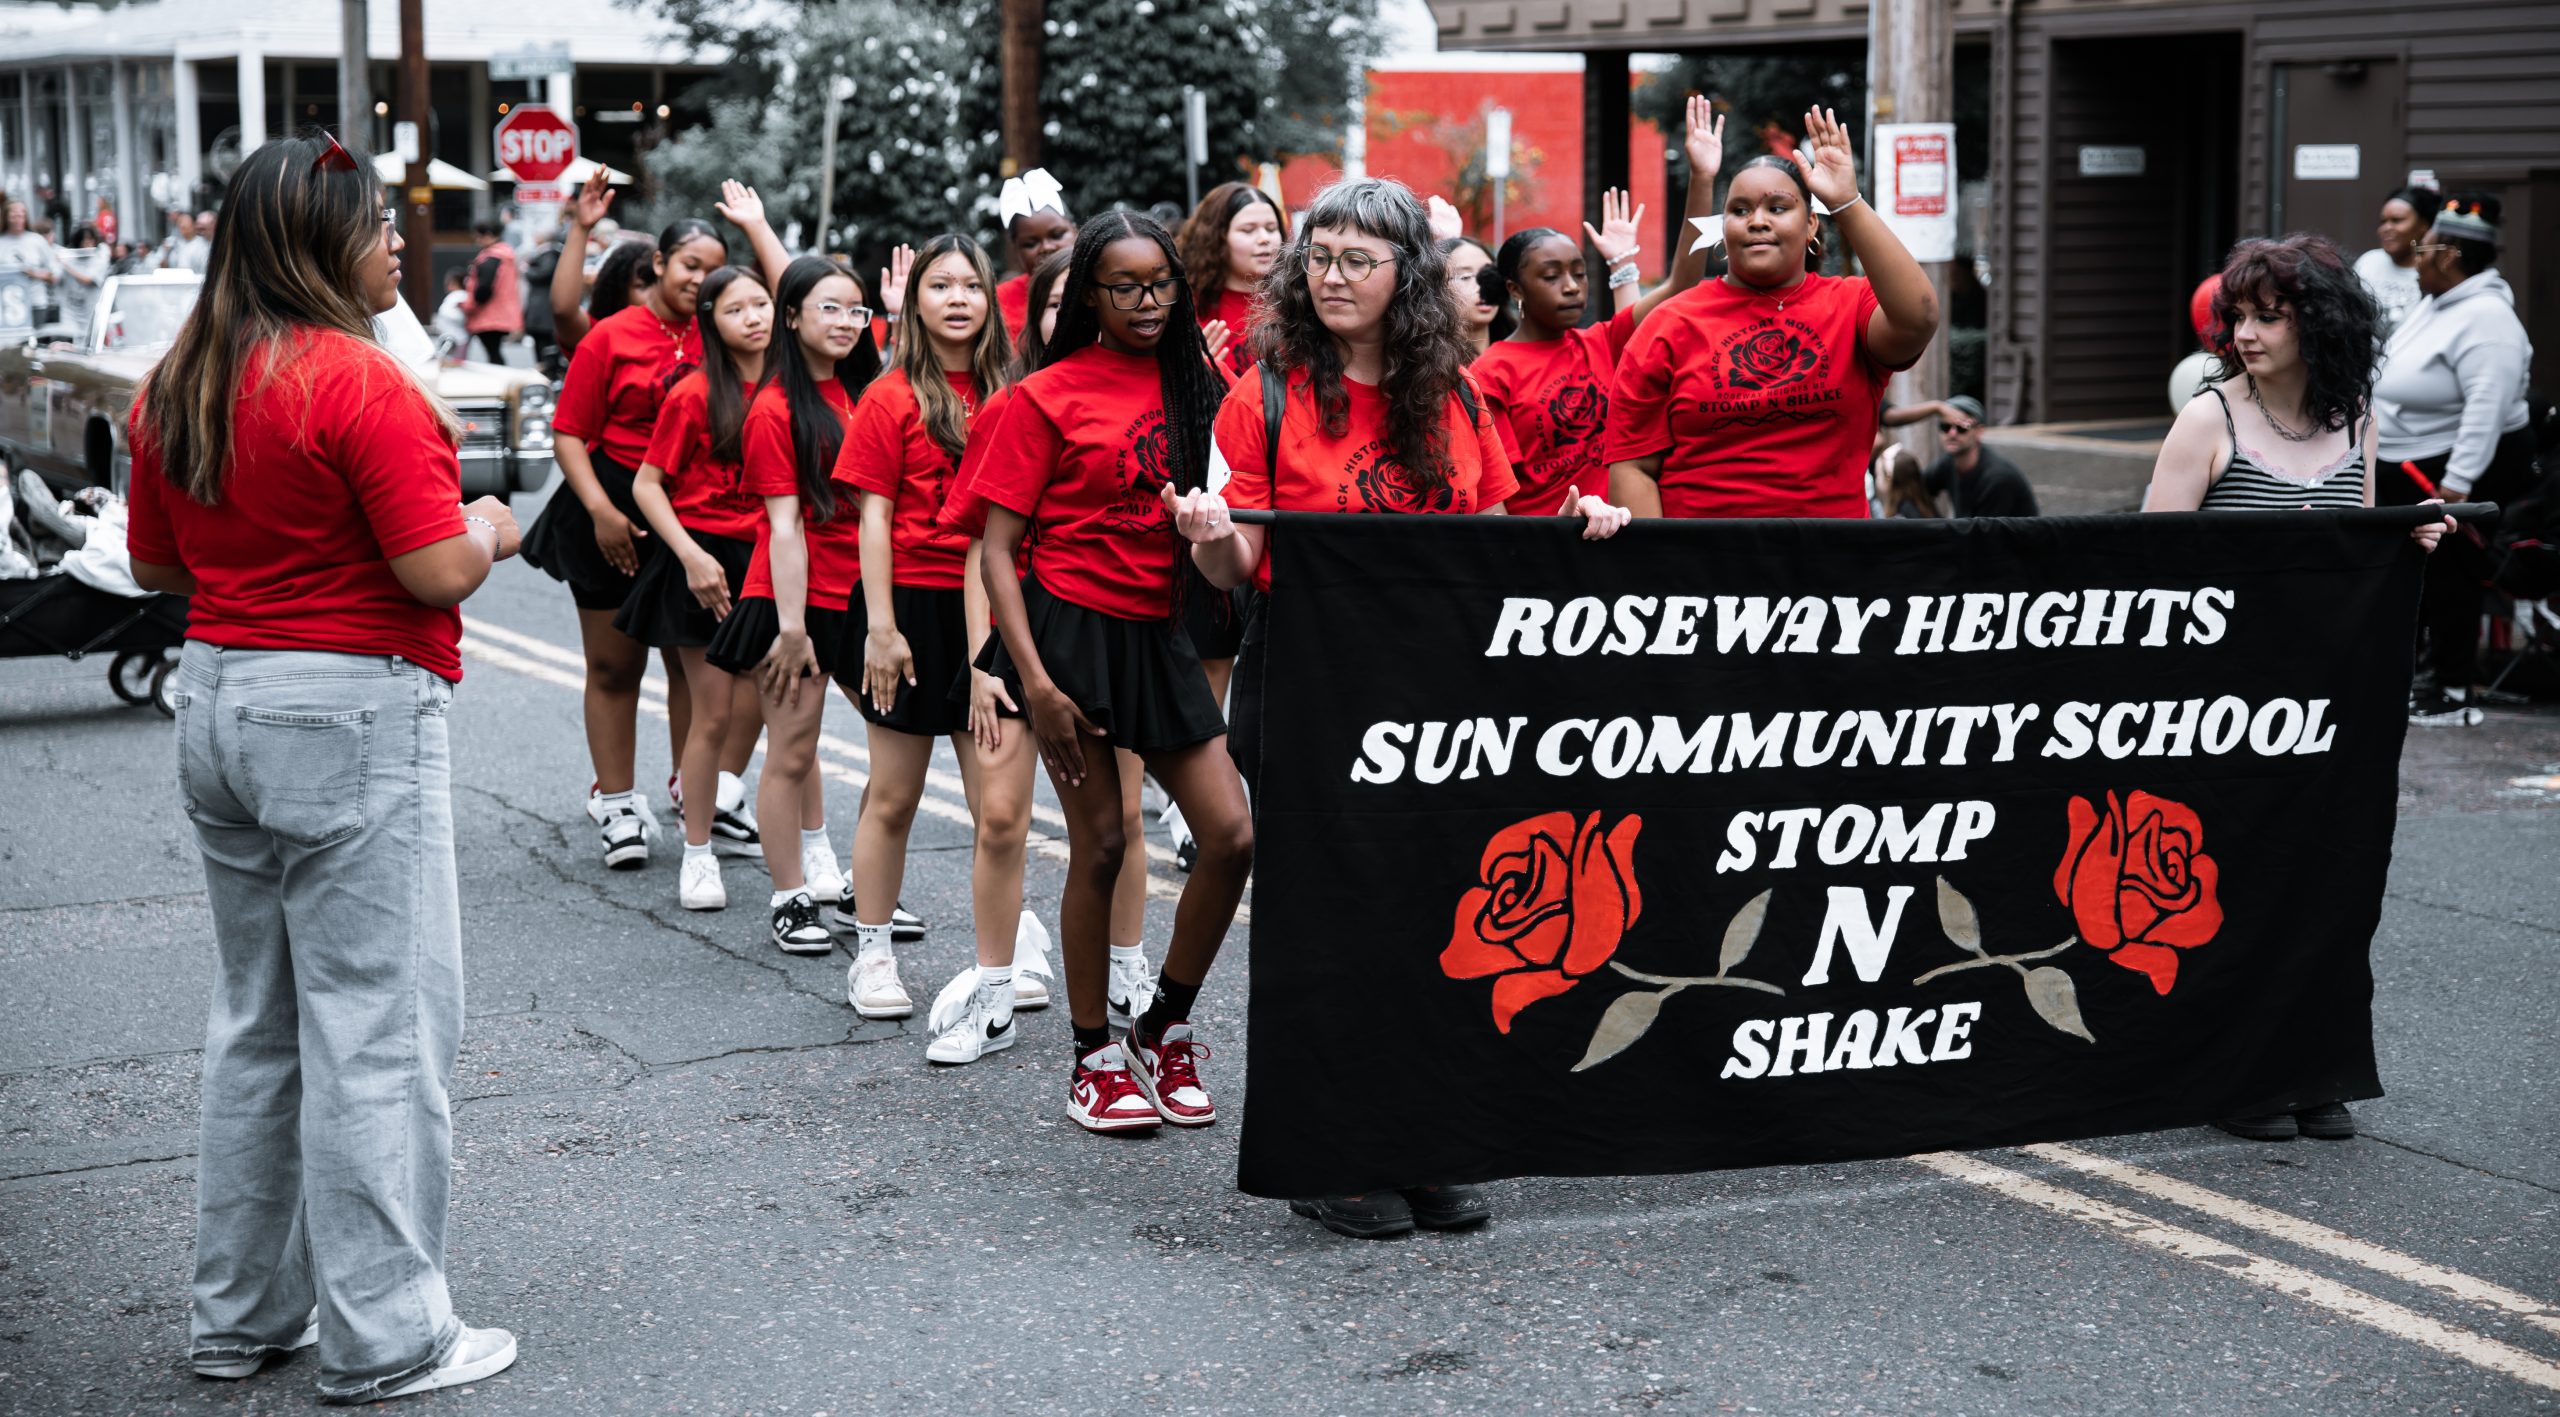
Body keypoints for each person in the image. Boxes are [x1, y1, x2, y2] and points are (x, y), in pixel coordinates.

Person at [124, 130, 522, 1403]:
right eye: (375, 222)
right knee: (379, 1030)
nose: (397, 240)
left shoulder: (176, 378)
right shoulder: (361, 380)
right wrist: (494, 526)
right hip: (351, 707)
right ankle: (389, 1333)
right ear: (317, 241)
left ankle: (240, 1316)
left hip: (221, 697)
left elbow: (152, 565)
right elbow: (435, 568)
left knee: (260, 1022)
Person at [1167, 176, 1631, 1241]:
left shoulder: (1456, 397)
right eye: (1317, 257)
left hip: (1434, 682)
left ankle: (1424, 1141)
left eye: (1356, 260)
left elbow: (1494, 540)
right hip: (1312, 678)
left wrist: (1578, 520)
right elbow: (1238, 563)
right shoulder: (1263, 393)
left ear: (1405, 278)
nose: (1330, 276)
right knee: (1330, 928)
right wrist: (1203, 528)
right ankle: (1330, 1153)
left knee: (1435, 917)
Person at [2145, 232, 2448, 1142]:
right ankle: (2239, 1075)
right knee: (2240, 884)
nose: (2244, 332)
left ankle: (2314, 1067)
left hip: (2328, 697)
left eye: (2267, 317)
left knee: (2328, 885)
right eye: (2236, 315)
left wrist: (2402, 538)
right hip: (2228, 697)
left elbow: (2348, 553)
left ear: (2317, 324)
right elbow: (2149, 569)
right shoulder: (2209, 419)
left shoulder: (2355, 415)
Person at [967, 211, 1254, 1136]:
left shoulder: (1197, 383)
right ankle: (1093, 1055)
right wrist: (1037, 683)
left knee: (1233, 835)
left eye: (1161, 283)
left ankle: (1163, 1025)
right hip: (1070, 635)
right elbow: (998, 550)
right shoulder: (1041, 396)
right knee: (1100, 844)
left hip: (1158, 632)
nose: (1146, 301)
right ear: (1087, 293)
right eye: (1125, 286)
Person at [838, 234, 1018, 1029]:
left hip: (994, 605)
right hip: (907, 607)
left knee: (999, 804)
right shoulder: (889, 395)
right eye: (939, 284)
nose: (955, 298)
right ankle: (872, 948)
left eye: (970, 285)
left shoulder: (1015, 391)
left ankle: (1004, 957)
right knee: (895, 792)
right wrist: (881, 628)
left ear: (990, 300)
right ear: (914, 302)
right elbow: (873, 519)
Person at [1606, 106, 1941, 520]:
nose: (1757, 221)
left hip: (1830, 570)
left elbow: (1919, 318)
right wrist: (1668, 572)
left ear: (1812, 225)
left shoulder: (1851, 304)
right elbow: (1633, 466)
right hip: (1704, 572)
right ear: (1723, 229)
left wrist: (1847, 202)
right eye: (1740, 210)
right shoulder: (1668, 324)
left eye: (1778, 209)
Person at [520, 217, 727, 868]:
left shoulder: (720, 334)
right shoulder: (610, 335)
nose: (699, 279)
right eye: (689, 264)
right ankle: (616, 803)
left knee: (690, 666)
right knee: (615, 667)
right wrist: (601, 512)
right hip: (608, 513)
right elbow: (570, 433)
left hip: (687, 517)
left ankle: (693, 795)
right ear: (660, 263)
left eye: (712, 267)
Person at [704, 255, 881, 955]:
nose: (844, 322)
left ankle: (870, 888)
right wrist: (791, 628)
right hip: (794, 602)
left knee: (897, 750)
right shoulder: (776, 407)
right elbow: (783, 527)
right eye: (828, 308)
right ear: (793, 316)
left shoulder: (865, 392)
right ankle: (790, 896)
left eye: (856, 310)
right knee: (793, 750)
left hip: (864, 597)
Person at [1475, 95, 1725, 518]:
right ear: (1516, 288)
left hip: (1618, 542)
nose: (1572, 287)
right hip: (1545, 554)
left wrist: (1701, 179)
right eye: (1551, 276)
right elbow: (1494, 496)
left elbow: (1681, 283)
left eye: (1579, 272)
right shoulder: (1490, 373)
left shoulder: (1604, 342)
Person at [619, 266, 778, 910]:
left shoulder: (789, 387)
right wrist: (689, 555)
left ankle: (717, 797)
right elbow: (646, 484)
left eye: (762, 303)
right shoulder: (693, 392)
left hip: (773, 558)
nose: (753, 317)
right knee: (711, 710)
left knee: (772, 705)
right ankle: (698, 854)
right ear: (709, 320)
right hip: (703, 558)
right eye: (735, 308)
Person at [2375, 194, 2536, 726]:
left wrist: (2459, 483)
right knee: (2416, 575)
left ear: (2448, 256)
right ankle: (2420, 674)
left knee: (2451, 575)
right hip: (2410, 461)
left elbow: (2486, 409)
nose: (2414, 259)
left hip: (2454, 471)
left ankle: (2452, 687)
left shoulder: (2489, 318)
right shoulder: (2436, 301)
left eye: (2423, 250)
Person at [1176, 180, 1287, 379]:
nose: (1264, 238)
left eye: (1271, 228)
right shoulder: (1187, 306)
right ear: (1216, 238)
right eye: (1248, 230)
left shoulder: (1295, 300)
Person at [1923, 395, 2039, 517]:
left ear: (1979, 431)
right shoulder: (1947, 463)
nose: (1952, 434)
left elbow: (1982, 533)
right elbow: (1917, 490)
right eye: (1945, 427)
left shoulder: (1997, 478)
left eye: (1962, 427)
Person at [995, 167, 1076, 338]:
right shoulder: (1000, 301)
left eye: (1057, 235)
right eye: (1031, 244)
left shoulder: (1104, 285)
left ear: (1075, 231)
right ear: (1016, 249)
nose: (1047, 247)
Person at [2353, 184, 2439, 339]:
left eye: (2397, 220)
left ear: (2424, 226)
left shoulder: (2433, 272)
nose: (2386, 228)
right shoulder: (2369, 262)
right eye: (2383, 221)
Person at [461, 216, 523, 365]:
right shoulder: (506, 254)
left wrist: (472, 304)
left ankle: (501, 382)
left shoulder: (491, 258)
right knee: (494, 352)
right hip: (503, 312)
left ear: (488, 234)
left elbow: (483, 289)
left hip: (489, 315)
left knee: (493, 354)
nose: (477, 240)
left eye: (478, 236)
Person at [1440, 234, 1501, 360]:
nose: (1482, 285)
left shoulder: (1520, 355)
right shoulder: (1427, 369)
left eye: (1489, 274)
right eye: (1465, 277)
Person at [0, 200, 58, 327]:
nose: (18, 220)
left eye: (21, 215)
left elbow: (55, 273)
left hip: (35, 302)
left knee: (32, 342)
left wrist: (35, 274)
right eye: (14, 216)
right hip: (6, 306)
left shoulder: (36, 241)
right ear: (6, 217)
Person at [521, 224, 566, 376]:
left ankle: (548, 370)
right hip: (540, 306)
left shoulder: (549, 254)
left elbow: (542, 274)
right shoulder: (546, 253)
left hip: (543, 307)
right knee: (541, 341)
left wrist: (527, 270)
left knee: (545, 343)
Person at [53, 223, 110, 334]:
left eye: (90, 239)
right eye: (83, 239)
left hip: (92, 310)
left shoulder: (99, 257)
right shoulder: (69, 257)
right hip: (71, 311)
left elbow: (87, 279)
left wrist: (65, 264)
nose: (87, 242)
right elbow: (55, 278)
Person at [430, 268, 470, 357]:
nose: (446, 283)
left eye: (449, 281)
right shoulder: (454, 296)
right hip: (449, 338)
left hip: (458, 338)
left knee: (456, 365)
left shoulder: (461, 296)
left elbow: (461, 317)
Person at [158, 208, 210, 274]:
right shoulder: (172, 243)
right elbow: (163, 266)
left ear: (194, 225)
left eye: (186, 222)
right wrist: (166, 254)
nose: (182, 225)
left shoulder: (202, 245)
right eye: (180, 222)